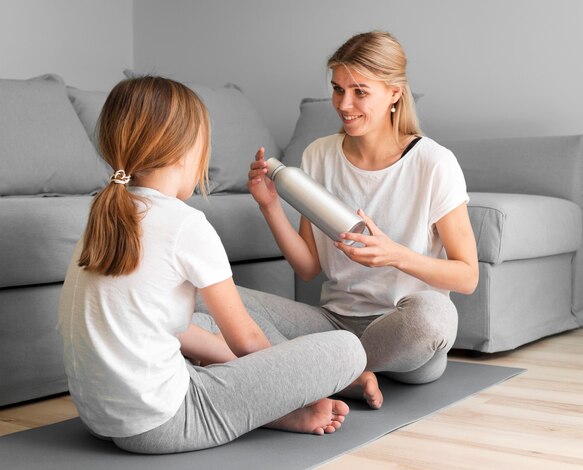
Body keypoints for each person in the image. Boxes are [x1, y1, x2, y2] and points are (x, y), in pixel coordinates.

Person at [57, 76, 366, 454]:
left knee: (197, 325)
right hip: (164, 422)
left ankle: (261, 408)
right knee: (348, 350)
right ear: (185, 151)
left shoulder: (104, 215)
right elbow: (247, 341)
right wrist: (291, 387)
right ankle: (274, 409)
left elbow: (164, 326)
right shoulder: (184, 223)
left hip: (100, 418)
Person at [246, 31, 478, 409]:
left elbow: (467, 276)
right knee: (207, 297)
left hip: (402, 332)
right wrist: (269, 206)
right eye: (337, 90)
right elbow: (308, 267)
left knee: (433, 316)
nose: (344, 104)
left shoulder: (433, 163)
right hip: (334, 323)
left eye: (359, 91)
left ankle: (322, 371)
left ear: (394, 93)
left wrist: (395, 255)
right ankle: (345, 376)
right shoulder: (318, 155)